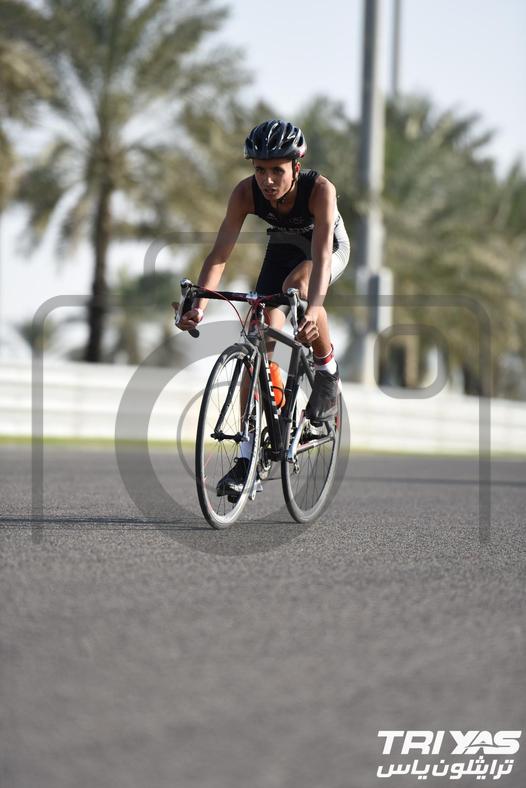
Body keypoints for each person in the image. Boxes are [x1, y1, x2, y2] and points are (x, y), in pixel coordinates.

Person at [175, 119, 350, 497]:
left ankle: (327, 370)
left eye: (277, 171)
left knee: (296, 286)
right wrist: (199, 307)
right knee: (258, 334)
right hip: (282, 247)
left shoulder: (320, 190)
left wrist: (313, 307)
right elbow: (219, 256)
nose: (267, 180)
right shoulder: (245, 193)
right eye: (259, 170)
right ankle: (249, 454)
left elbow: (322, 257)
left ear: (296, 168)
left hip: (326, 249)